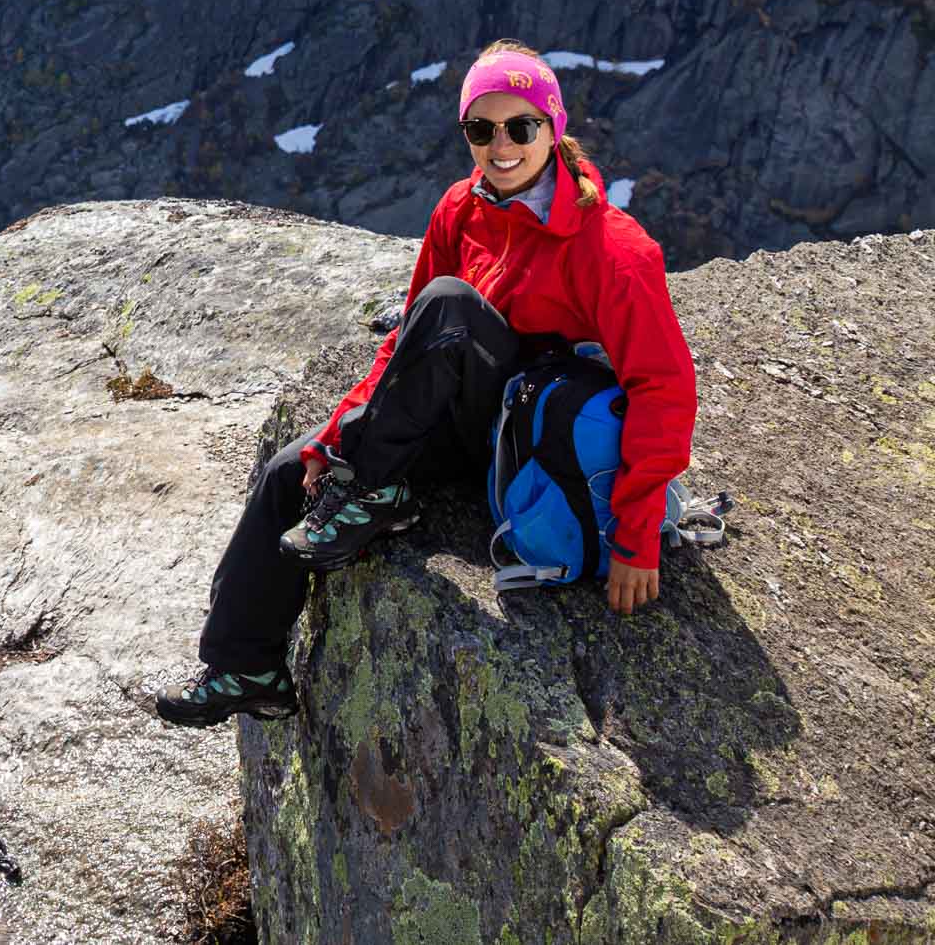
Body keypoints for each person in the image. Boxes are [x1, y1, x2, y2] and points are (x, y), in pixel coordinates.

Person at [154, 39, 698, 728]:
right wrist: (336, 439)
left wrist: (637, 536)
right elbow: (406, 344)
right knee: (291, 471)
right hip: (469, 422)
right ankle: (246, 664)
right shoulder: (459, 209)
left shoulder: (613, 250)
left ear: (553, 127)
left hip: (531, 454)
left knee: (450, 305)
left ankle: (373, 490)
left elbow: (665, 389)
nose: (501, 146)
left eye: (520, 127)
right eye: (481, 129)